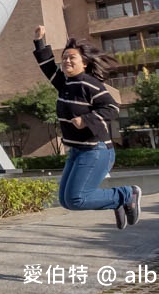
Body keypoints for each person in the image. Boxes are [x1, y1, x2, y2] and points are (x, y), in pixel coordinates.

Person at [33, 24, 141, 229]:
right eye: (64, 57)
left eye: (71, 57)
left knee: (76, 199)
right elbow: (48, 66)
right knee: (67, 201)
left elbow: (111, 108)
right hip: (77, 151)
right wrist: (40, 41)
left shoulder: (90, 84)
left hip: (96, 150)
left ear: (84, 63)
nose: (66, 61)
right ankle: (116, 202)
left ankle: (127, 194)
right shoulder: (65, 84)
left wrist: (86, 120)